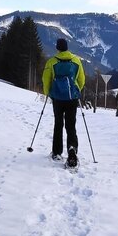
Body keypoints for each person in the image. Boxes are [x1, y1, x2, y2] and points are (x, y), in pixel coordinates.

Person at [42, 38, 86, 167]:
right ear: (67, 48)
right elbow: (81, 79)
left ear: (57, 48)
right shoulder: (76, 61)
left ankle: (57, 152)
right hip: (72, 98)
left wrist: (49, 93)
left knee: (58, 124)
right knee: (71, 125)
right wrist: (77, 91)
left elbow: (46, 80)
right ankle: (72, 149)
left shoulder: (51, 62)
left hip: (57, 98)